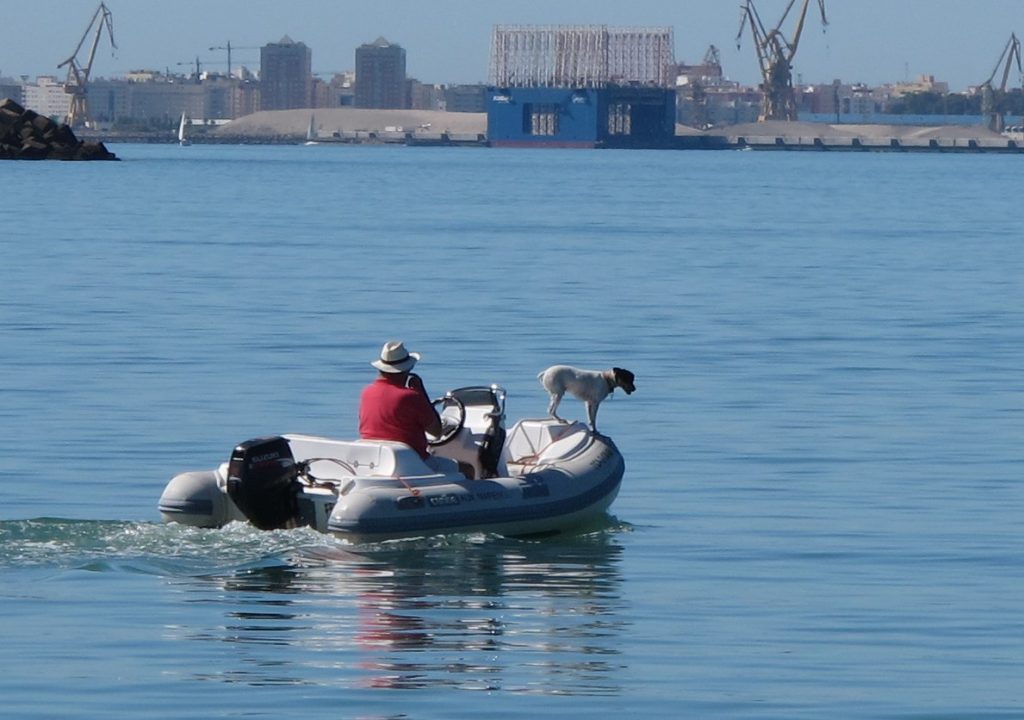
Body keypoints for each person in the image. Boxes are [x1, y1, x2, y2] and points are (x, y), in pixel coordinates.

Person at [358, 340, 441, 460]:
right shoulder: (410, 396)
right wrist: (421, 392)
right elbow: (436, 431)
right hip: (411, 463)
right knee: (454, 467)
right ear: (405, 371)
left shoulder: (366, 392)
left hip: (372, 459)